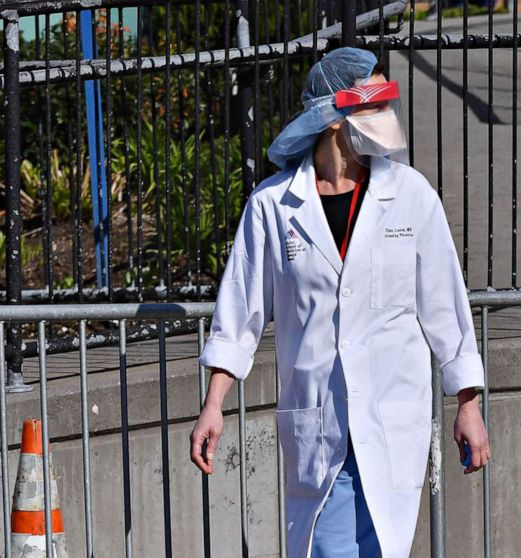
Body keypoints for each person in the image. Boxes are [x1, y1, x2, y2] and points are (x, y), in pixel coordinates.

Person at [189, 47, 491, 558]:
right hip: (321, 421)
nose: (385, 118)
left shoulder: (411, 195)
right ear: (333, 118)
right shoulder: (272, 204)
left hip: (390, 416)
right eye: (372, 103)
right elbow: (239, 313)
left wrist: (469, 404)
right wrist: (214, 404)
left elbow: (446, 305)